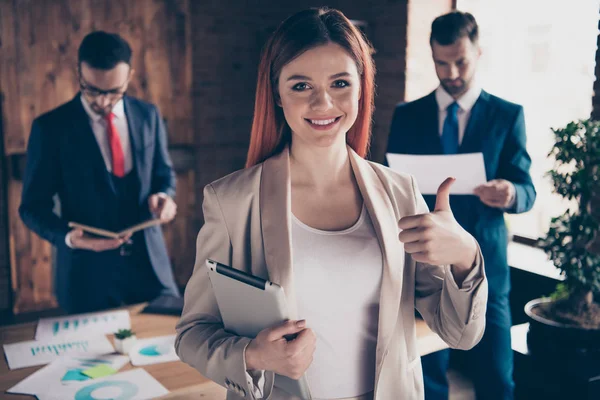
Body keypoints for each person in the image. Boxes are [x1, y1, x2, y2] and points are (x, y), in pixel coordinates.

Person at [176, 8, 488, 400]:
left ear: (362, 87)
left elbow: (461, 333)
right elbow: (192, 333)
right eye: (301, 86)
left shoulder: (399, 193)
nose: (323, 102)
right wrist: (253, 355)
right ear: (277, 93)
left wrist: (464, 254)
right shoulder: (231, 201)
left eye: (340, 82)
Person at [386, 11, 536, 400]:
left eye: (460, 61)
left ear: (478, 52)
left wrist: (511, 193)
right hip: (424, 265)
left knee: (497, 376)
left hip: (488, 265)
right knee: (427, 374)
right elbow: (391, 182)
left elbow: (527, 189)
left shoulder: (507, 115)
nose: (451, 71)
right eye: (441, 62)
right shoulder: (407, 115)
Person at [19, 31, 180, 314]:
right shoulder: (50, 129)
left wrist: (164, 195)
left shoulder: (148, 115)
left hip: (150, 268)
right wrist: (70, 238)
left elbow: (163, 174)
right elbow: (32, 208)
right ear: (79, 73)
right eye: (92, 90)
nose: (103, 101)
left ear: (129, 76)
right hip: (85, 276)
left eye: (114, 92)